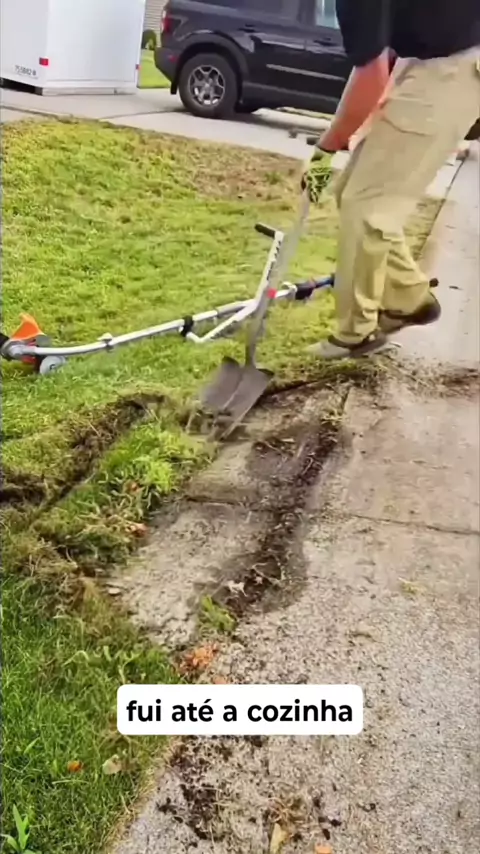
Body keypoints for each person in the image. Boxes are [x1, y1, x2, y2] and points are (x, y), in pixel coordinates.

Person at [303, 0, 480, 359]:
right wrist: (337, 140)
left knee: (367, 205)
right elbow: (374, 66)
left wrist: (326, 149)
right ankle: (408, 297)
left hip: (453, 69)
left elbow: (370, 77)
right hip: (433, 61)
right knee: (352, 193)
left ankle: (356, 331)